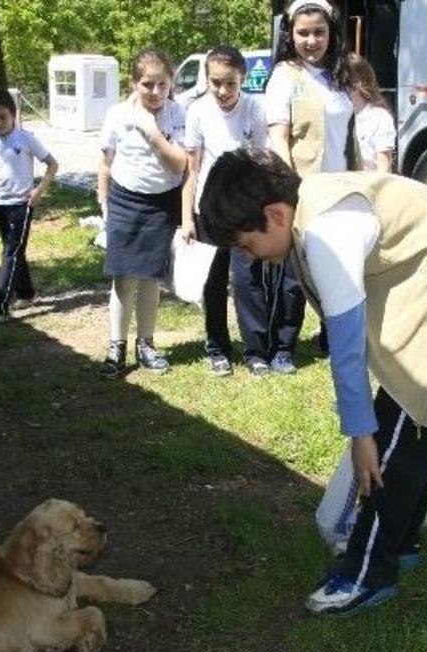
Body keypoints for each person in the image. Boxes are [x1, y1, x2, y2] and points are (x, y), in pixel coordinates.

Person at [199, 147, 427, 616]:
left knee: (391, 444)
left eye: (246, 245)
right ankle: (404, 538)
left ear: (274, 214)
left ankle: (367, 572)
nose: (250, 259)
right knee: (414, 432)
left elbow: (346, 348)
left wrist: (360, 434)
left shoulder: (327, 234)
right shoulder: (304, 211)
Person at [260, 0, 360, 365]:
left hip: (340, 187)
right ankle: (283, 347)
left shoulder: (340, 74)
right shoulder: (285, 76)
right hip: (302, 189)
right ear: (291, 34)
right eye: (303, 33)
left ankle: (331, 335)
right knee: (293, 271)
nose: (312, 40)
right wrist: (292, 189)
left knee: (336, 266)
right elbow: (278, 139)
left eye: (319, 32)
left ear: (331, 34)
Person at [181, 45, 271, 377]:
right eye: (215, 82)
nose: (222, 90)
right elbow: (191, 170)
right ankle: (218, 347)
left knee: (248, 281)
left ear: (242, 79)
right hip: (210, 210)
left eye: (230, 83)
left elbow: (262, 162)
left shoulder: (255, 109)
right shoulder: (197, 111)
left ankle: (256, 350)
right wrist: (186, 217)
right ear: (207, 79)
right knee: (214, 282)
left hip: (245, 210)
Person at [97, 49, 188, 377]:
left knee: (151, 276)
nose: (155, 92)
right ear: (133, 83)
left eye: (162, 84)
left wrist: (151, 131)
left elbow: (181, 163)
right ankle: (116, 346)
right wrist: (103, 202)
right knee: (124, 277)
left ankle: (146, 344)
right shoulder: (117, 114)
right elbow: (106, 163)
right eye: (147, 84)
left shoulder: (179, 114)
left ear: (171, 83)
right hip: (124, 201)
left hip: (162, 203)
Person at [0, 89, 58, 322]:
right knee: (16, 252)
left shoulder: (26, 138)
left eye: (2, 117)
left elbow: (52, 164)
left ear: (13, 115)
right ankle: (27, 293)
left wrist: (39, 190)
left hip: (22, 204)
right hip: (0, 204)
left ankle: (0, 304)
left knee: (10, 253)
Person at [346, 53, 395, 172]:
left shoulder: (380, 117)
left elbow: (383, 167)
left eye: (342, 80)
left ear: (358, 83)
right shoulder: (338, 116)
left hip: (368, 185)